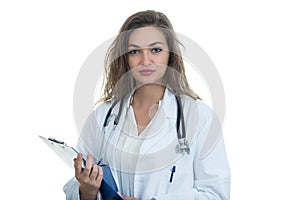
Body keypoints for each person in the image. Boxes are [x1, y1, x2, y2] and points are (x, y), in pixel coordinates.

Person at [64, 10, 230, 200]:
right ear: (125, 58)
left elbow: (216, 194)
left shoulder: (199, 117)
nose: (145, 61)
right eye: (135, 51)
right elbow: (73, 188)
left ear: (170, 54)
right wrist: (88, 190)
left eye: (156, 50)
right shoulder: (102, 117)